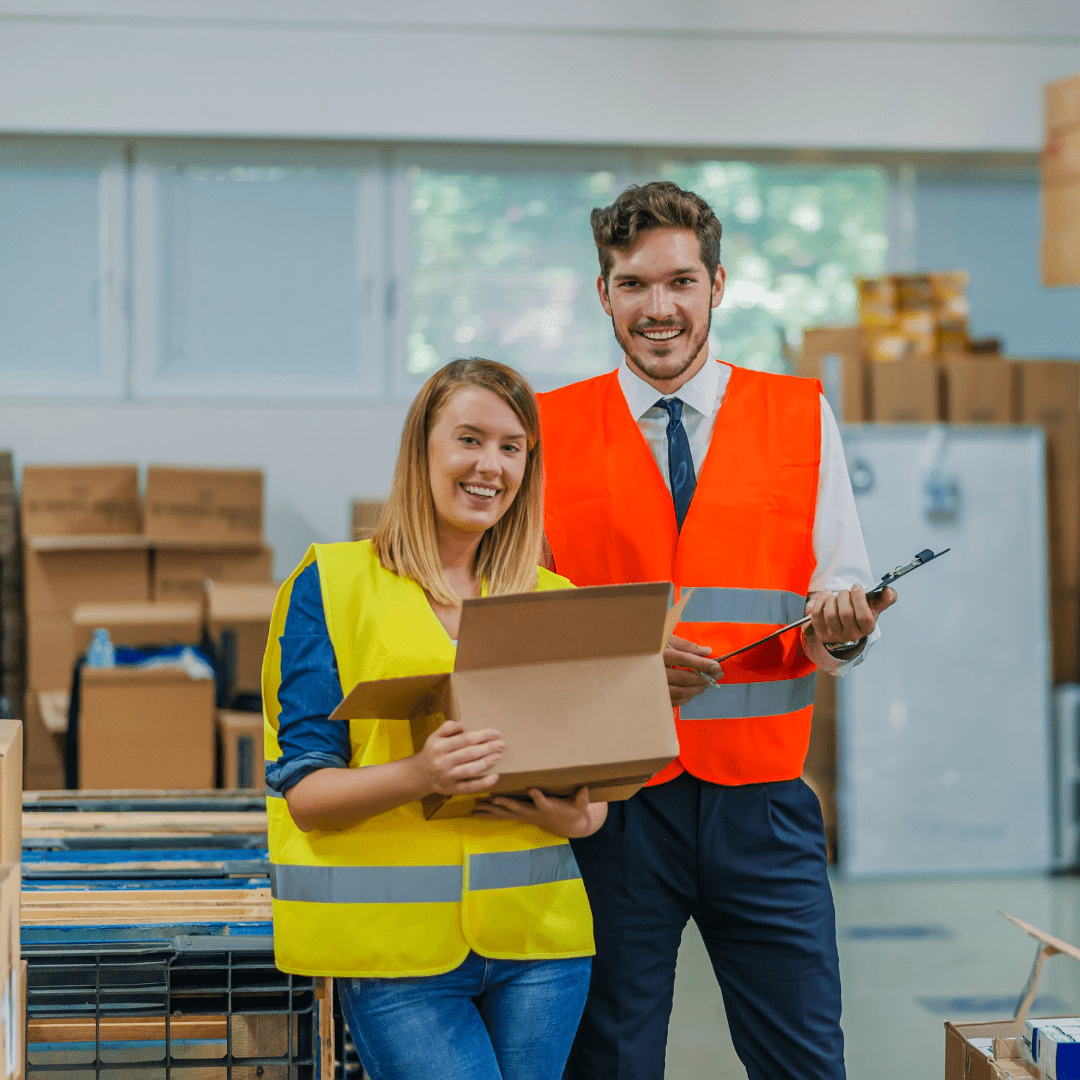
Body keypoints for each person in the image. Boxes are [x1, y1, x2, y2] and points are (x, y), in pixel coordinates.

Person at [536, 181, 896, 1080]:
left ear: (717, 285)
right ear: (603, 293)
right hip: (613, 801)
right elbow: (518, 628)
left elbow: (835, 592)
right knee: (610, 1060)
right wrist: (623, 662)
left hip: (764, 802)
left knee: (805, 1060)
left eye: (680, 282)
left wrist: (846, 629)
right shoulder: (545, 429)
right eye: (633, 285)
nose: (659, 309)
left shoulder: (798, 413)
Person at [262, 358, 605, 1080]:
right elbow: (307, 794)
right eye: (470, 439)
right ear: (422, 449)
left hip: (542, 946)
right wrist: (420, 774)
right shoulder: (333, 583)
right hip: (396, 955)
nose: (492, 466)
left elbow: (592, 802)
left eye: (513, 448)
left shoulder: (551, 598)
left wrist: (577, 818)